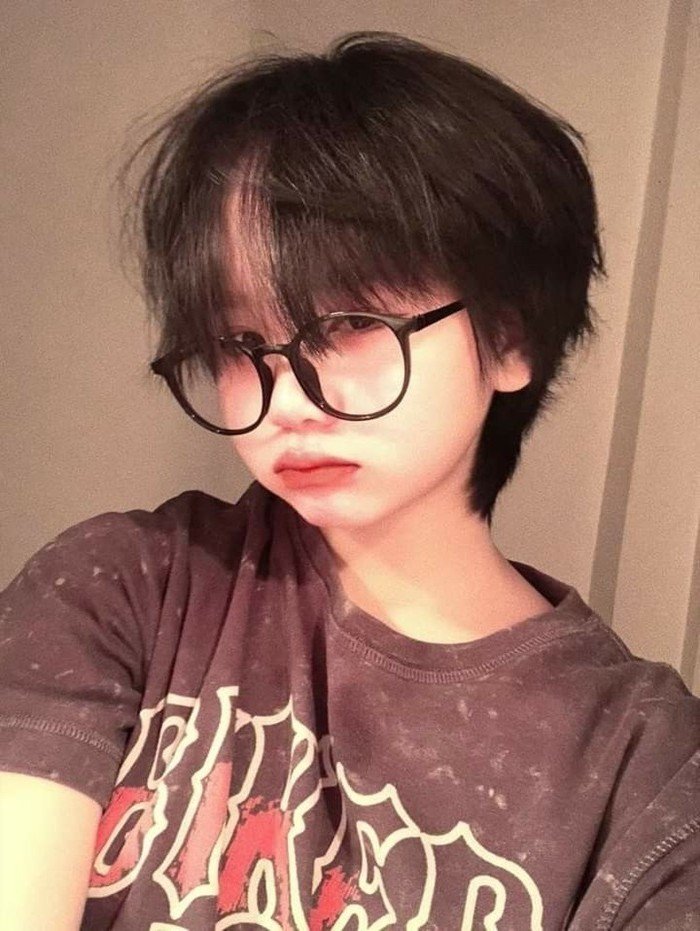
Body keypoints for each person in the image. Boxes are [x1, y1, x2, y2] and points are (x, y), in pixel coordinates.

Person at [0, 30, 698, 931]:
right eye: (240, 344)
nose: (286, 400)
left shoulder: (641, 771)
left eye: (351, 323)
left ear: (509, 338)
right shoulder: (125, 588)